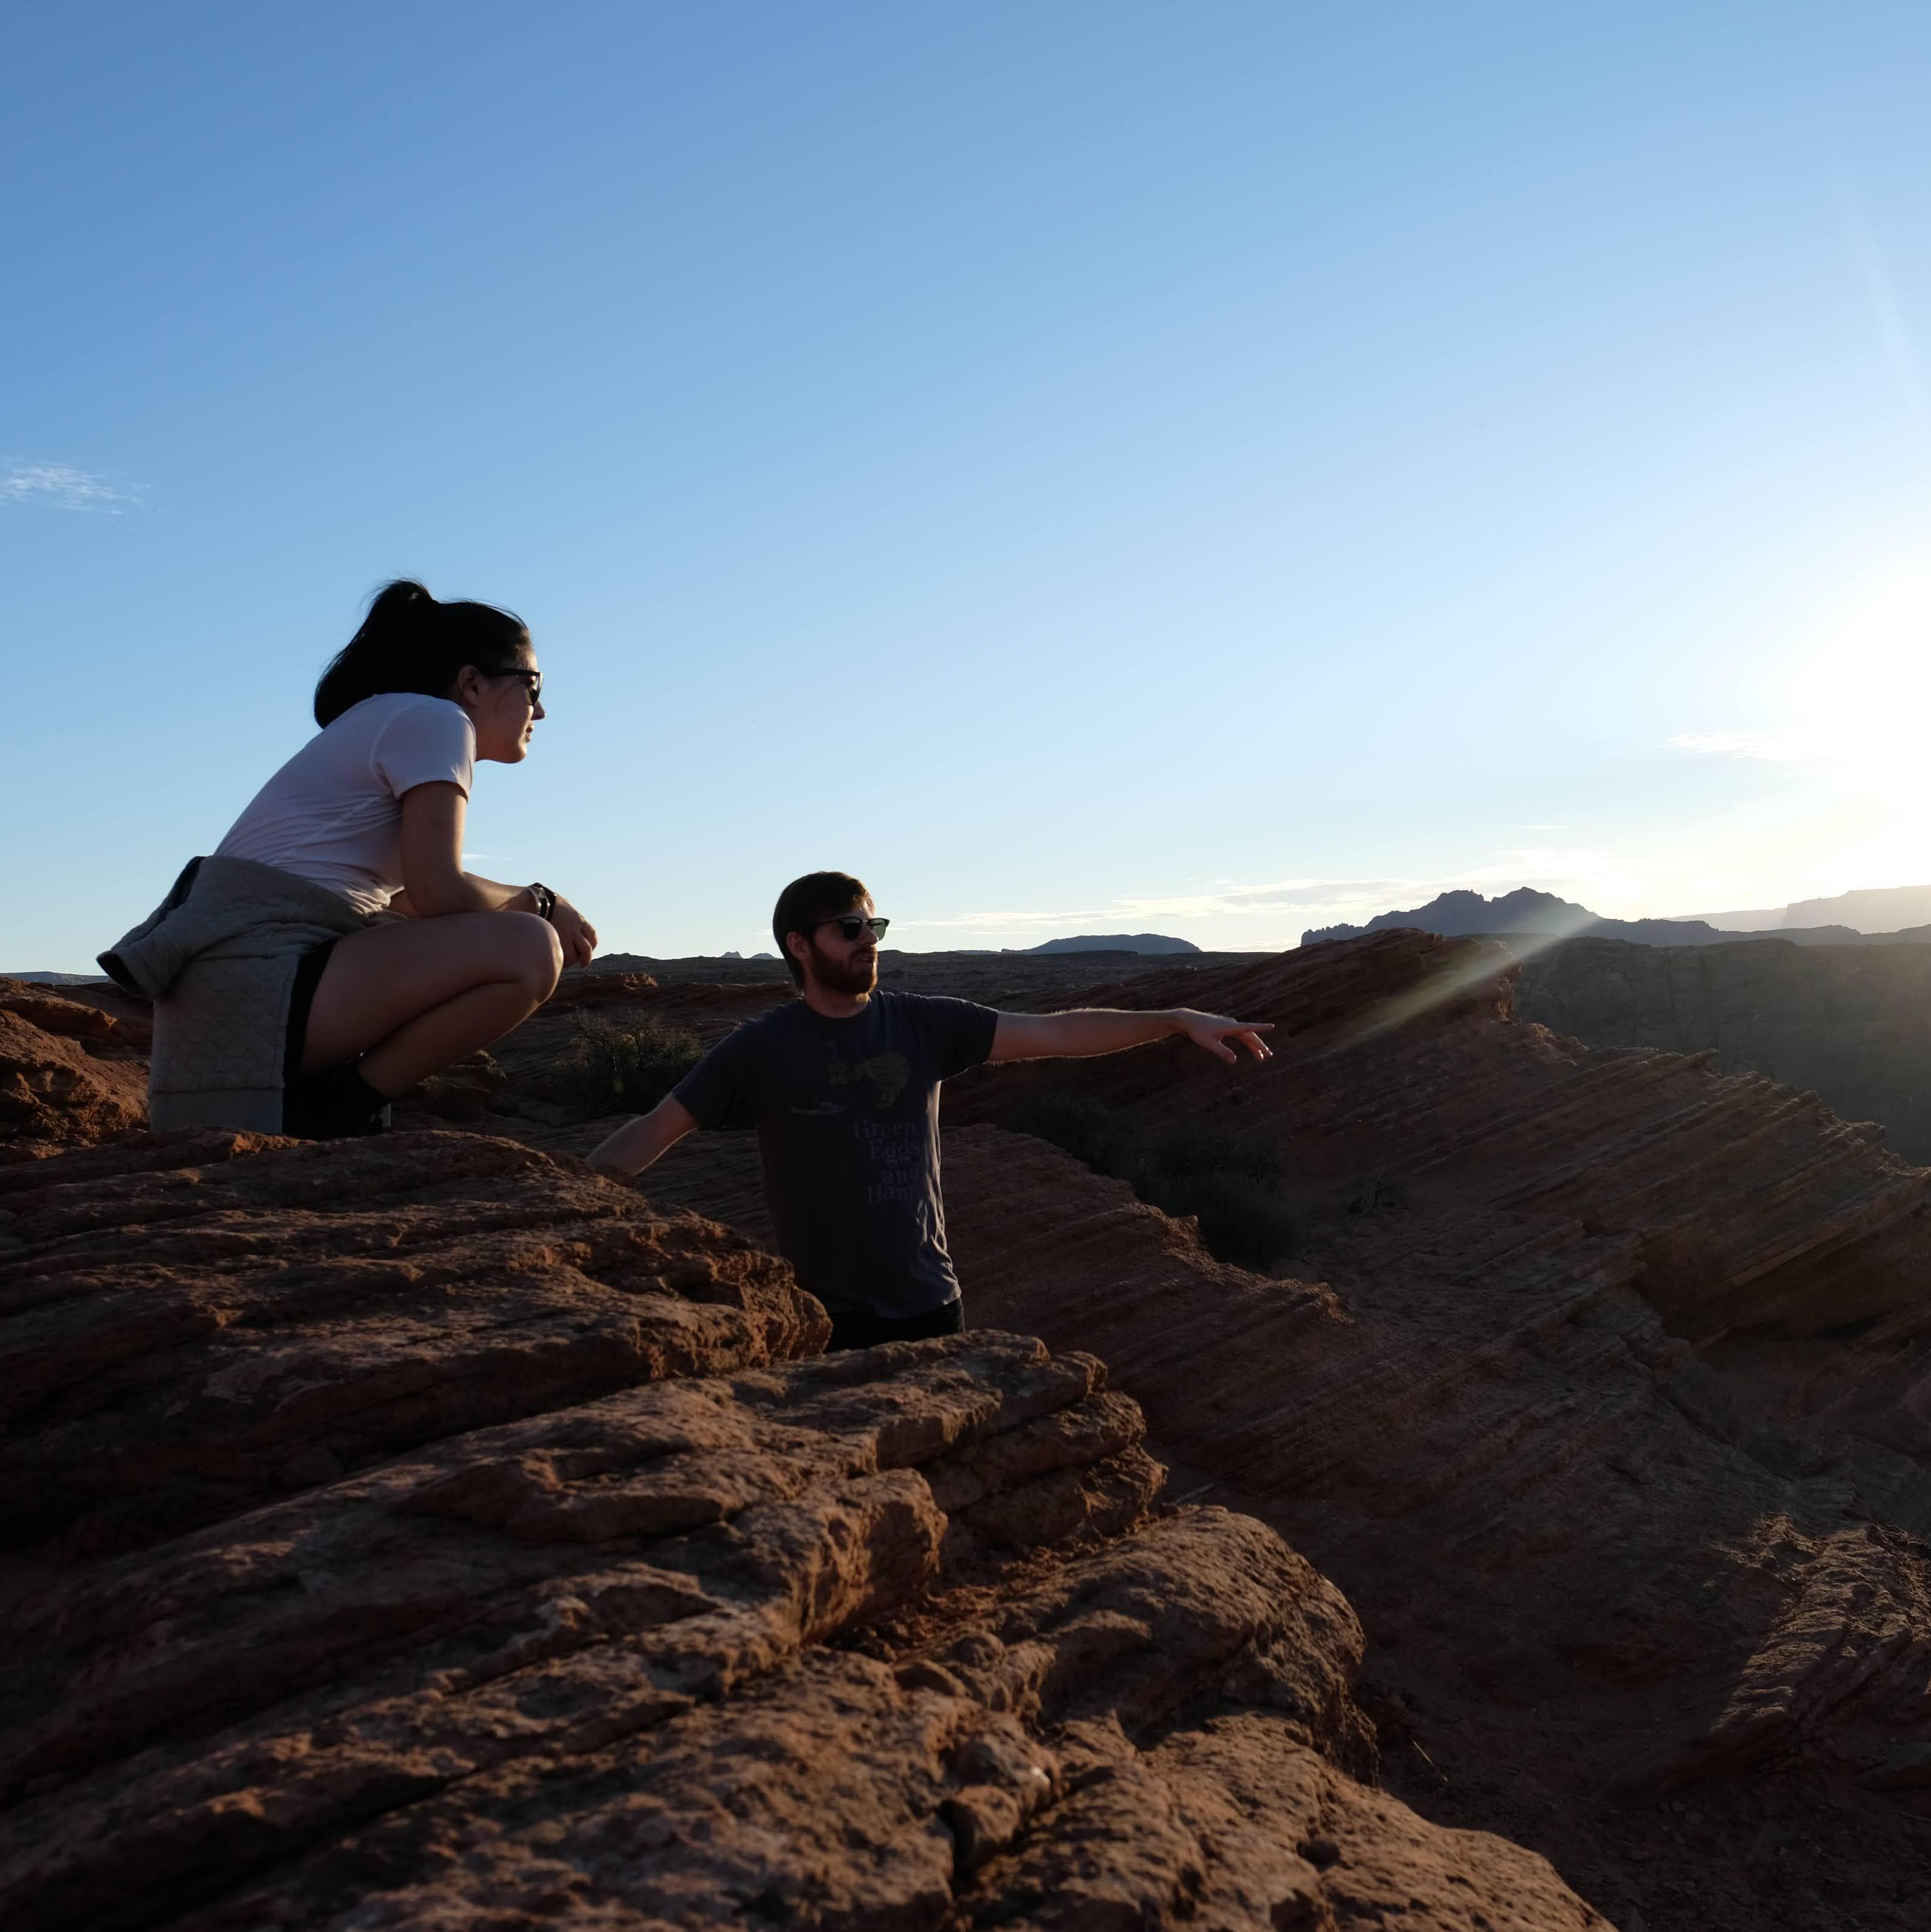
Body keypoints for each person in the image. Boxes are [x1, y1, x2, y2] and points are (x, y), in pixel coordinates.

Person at [589, 870, 1271, 1349]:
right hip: (827, 1320)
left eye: (874, 924)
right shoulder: (760, 1049)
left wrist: (1177, 1019)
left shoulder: (924, 1024)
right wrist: (564, 1211)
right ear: (799, 945)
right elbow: (655, 1130)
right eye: (850, 927)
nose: (869, 939)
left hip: (932, 1307)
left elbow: (1059, 1031)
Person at [99, 580, 596, 1136]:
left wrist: (528, 900)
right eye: (533, 685)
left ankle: (327, 1104)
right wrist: (540, 904)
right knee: (529, 948)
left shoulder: (390, 719)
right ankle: (337, 1110)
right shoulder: (437, 719)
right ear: (472, 683)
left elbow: (415, 902)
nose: (542, 709)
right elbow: (441, 894)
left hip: (235, 1008)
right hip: (260, 982)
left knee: (478, 928)